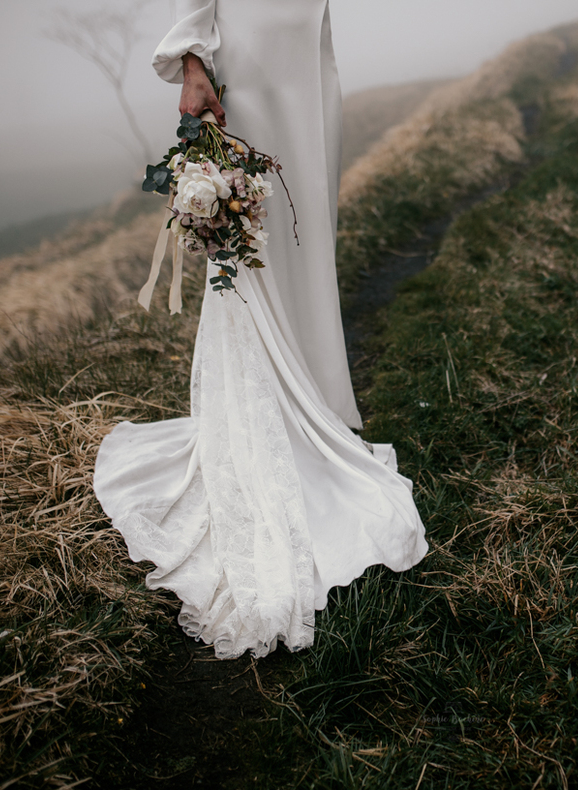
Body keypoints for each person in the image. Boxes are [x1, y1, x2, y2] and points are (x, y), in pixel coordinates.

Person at [93, 0, 429, 660]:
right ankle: (271, 415)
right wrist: (194, 60)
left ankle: (313, 403)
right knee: (258, 236)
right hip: (249, 58)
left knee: (307, 239)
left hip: (308, 56)